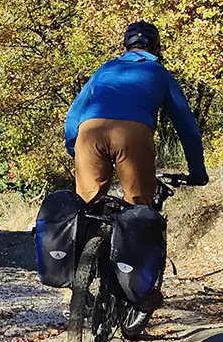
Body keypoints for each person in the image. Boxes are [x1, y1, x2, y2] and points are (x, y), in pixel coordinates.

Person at [64, 21, 209, 205]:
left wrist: (74, 150)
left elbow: (73, 115)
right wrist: (198, 172)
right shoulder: (160, 73)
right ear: (157, 49)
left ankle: (85, 232)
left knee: (85, 208)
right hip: (133, 134)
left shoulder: (105, 69)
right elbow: (186, 127)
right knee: (138, 208)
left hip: (89, 133)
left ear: (125, 47)